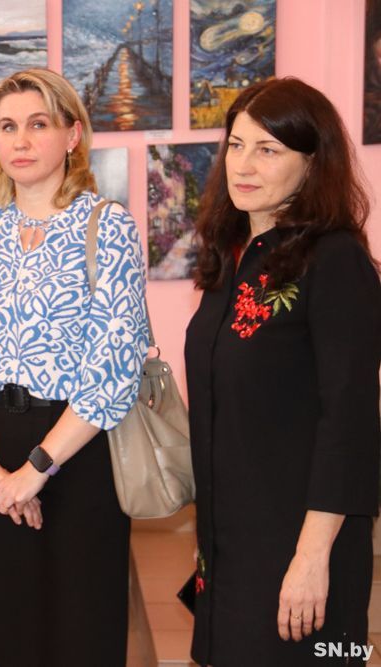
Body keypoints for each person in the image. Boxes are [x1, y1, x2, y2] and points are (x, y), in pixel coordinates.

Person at [0, 68, 148, 666]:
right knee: (5, 637)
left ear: (72, 135)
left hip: (79, 452)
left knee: (80, 635)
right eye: (7, 127)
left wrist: (36, 471)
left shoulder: (108, 226)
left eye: (38, 124)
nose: (20, 141)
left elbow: (113, 371)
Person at [185, 77, 381, 666]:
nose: (244, 165)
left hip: (303, 544)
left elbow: (350, 422)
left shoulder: (335, 259)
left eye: (268, 150)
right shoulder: (230, 256)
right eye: (236, 145)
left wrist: (312, 557)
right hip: (227, 545)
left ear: (312, 163)